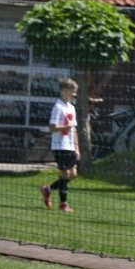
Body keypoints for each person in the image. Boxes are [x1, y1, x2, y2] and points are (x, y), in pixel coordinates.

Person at [41, 77, 80, 212]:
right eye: (71, 92)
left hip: (70, 146)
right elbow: (52, 127)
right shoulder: (58, 107)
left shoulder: (72, 108)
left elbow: (74, 129)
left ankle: (48, 189)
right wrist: (65, 127)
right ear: (63, 91)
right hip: (60, 145)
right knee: (64, 174)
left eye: (74, 92)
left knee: (73, 174)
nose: (73, 95)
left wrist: (76, 147)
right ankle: (63, 204)